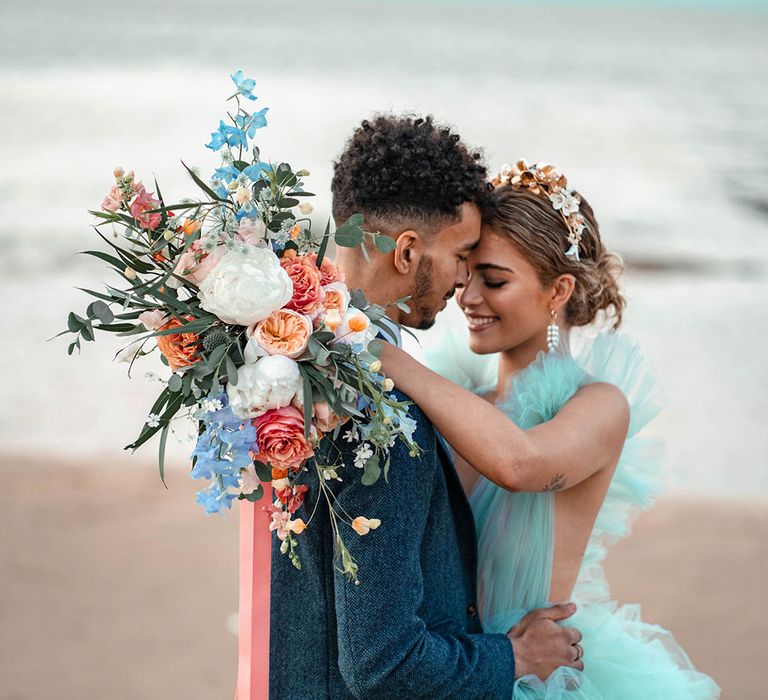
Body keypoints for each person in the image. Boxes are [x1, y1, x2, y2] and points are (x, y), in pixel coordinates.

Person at [379, 161, 721, 698]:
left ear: (558, 289)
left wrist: (377, 353)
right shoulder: (453, 394)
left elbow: (521, 464)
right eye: (465, 276)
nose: (468, 298)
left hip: (538, 670)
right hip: (445, 662)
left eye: (493, 280)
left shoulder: (597, 406)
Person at [269, 122, 584, 698]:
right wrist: (510, 658)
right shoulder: (374, 413)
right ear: (409, 250)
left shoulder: (276, 371)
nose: (464, 282)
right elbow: (383, 663)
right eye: (463, 255)